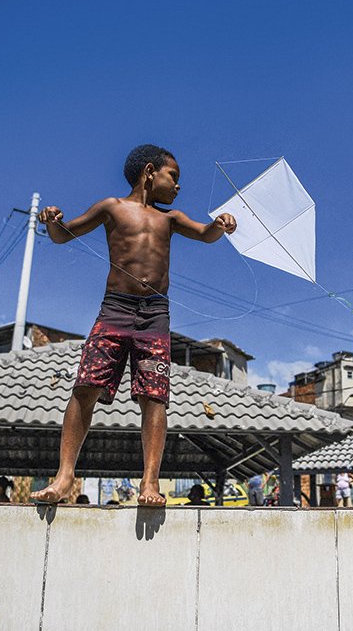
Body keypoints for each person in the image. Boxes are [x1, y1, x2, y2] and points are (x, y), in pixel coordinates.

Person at [30, 145, 237, 507]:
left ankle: (150, 483)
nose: (177, 186)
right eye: (173, 177)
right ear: (149, 172)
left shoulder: (170, 219)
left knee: (154, 397)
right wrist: (50, 220)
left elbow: (205, 234)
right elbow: (63, 235)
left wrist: (220, 225)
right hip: (114, 311)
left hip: (155, 316)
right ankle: (64, 478)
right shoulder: (111, 207)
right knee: (85, 388)